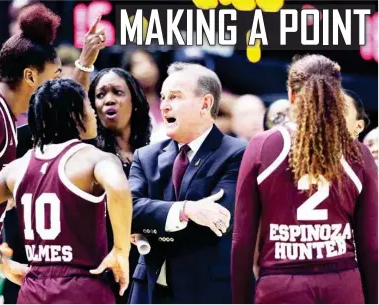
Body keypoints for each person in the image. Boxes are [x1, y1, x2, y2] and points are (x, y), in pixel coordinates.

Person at [0, 78, 133, 304]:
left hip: (33, 288)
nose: (94, 112)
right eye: (88, 106)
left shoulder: (18, 168)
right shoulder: (95, 159)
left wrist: (0, 263)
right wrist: (121, 251)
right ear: (74, 115)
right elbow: (118, 187)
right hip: (82, 287)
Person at [231, 54, 378, 304]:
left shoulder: (263, 145)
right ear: (336, 95)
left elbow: (242, 240)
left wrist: (241, 300)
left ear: (290, 96)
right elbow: (371, 244)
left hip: (281, 282)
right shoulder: (357, 151)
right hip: (342, 282)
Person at [128, 62, 247, 304]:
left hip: (206, 291)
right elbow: (127, 212)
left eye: (175, 97)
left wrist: (150, 226)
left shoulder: (237, 153)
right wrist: (186, 210)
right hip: (149, 290)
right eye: (162, 97)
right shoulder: (146, 156)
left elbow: (217, 222)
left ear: (205, 103)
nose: (164, 105)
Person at [0, 4, 62, 303]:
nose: (58, 85)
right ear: (31, 76)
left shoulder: (5, 119)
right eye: (55, 75)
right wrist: (1, 261)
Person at [88, 67, 152, 303]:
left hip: (143, 262)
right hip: (99, 263)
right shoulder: (87, 153)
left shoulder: (153, 154)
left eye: (117, 92)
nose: (109, 100)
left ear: (135, 102)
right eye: (101, 95)